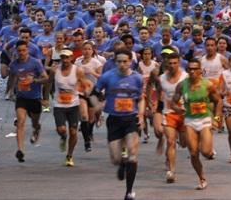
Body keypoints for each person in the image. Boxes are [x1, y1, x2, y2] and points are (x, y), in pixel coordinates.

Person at [94, 49, 144, 200]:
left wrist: (141, 115)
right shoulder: (107, 77)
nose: (122, 64)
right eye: (119, 62)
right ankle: (122, 163)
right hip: (114, 120)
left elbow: (141, 98)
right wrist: (98, 108)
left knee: (133, 155)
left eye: (125, 61)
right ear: (115, 62)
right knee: (115, 159)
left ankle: (129, 192)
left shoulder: (137, 78)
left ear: (130, 62)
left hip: (131, 120)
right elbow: (94, 93)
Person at [171, 58, 222, 190]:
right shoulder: (182, 85)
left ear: (200, 71)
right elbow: (173, 102)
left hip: (205, 120)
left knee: (205, 152)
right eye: (190, 69)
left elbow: (219, 102)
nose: (193, 71)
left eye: (195, 69)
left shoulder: (208, 85)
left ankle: (208, 147)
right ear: (187, 71)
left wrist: (216, 118)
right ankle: (202, 178)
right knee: (193, 153)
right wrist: (177, 109)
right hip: (190, 121)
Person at [7, 40, 48, 163]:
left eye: (24, 50)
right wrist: (9, 91)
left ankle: (36, 128)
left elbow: (45, 78)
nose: (21, 53)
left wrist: (34, 81)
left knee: (34, 122)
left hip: (35, 98)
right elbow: (11, 78)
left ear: (28, 50)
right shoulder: (14, 65)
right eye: (19, 51)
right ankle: (20, 150)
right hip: (22, 97)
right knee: (20, 121)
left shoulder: (35, 63)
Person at [152, 52, 188, 183]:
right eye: (170, 63)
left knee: (184, 144)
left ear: (179, 63)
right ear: (166, 64)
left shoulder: (186, 77)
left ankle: (181, 141)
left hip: (184, 114)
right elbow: (157, 92)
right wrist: (154, 103)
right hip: (169, 114)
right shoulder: (161, 78)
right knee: (171, 141)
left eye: (175, 63)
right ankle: (171, 171)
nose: (172, 65)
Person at [53, 49, 91, 166]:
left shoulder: (78, 70)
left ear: (71, 58)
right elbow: (48, 83)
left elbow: (85, 84)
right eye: (63, 58)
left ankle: (69, 155)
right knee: (61, 130)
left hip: (73, 105)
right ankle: (63, 137)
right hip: (59, 105)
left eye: (67, 58)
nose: (65, 60)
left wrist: (86, 92)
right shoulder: (55, 70)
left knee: (73, 132)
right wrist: (44, 97)